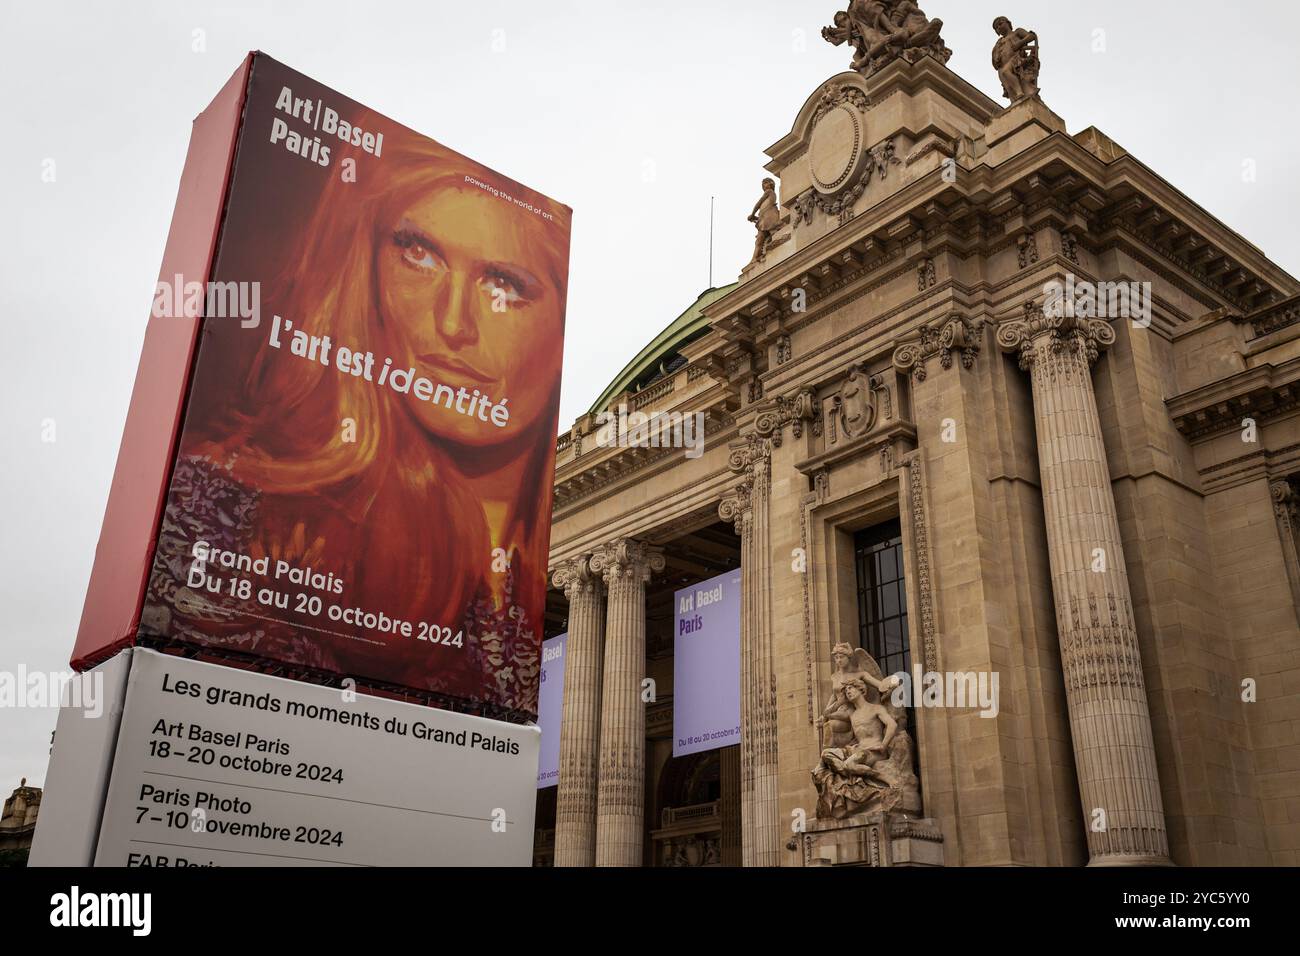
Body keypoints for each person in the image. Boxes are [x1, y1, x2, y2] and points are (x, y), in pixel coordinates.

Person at [150, 117, 570, 714]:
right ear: (364, 270)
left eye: (502, 284)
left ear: (560, 325)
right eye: (418, 254)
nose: (453, 324)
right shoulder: (223, 506)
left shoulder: (523, 573)